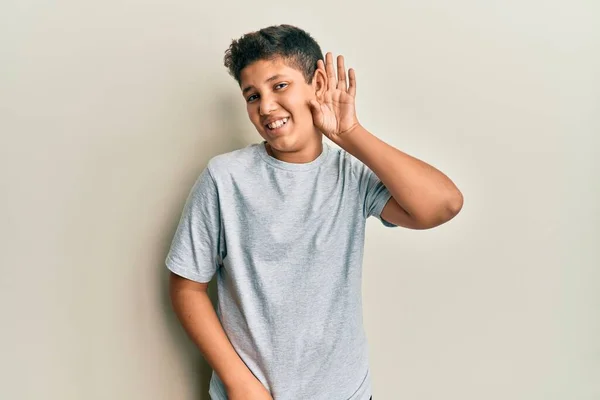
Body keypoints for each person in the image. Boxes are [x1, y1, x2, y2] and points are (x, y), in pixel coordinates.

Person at [166, 24, 463, 400]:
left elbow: (443, 205)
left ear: (318, 82)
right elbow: (186, 286)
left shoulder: (351, 175)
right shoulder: (225, 178)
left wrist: (350, 132)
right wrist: (239, 383)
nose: (266, 107)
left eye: (279, 86)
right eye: (252, 95)